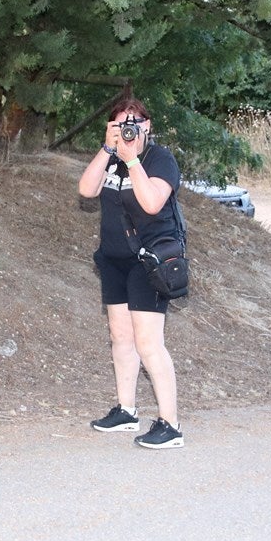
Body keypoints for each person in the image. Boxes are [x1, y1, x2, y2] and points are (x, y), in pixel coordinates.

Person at [78, 94, 185, 449]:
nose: (128, 129)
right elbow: (86, 190)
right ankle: (126, 411)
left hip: (148, 261)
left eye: (134, 122)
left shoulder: (160, 159)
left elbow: (153, 202)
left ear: (147, 126)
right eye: (121, 122)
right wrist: (108, 150)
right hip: (114, 260)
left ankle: (170, 425)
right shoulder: (111, 157)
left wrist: (133, 161)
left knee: (148, 344)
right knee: (122, 339)